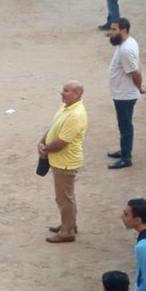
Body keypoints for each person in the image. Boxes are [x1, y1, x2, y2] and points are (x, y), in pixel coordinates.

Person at [38, 81, 87, 243]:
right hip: (61, 160)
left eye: (66, 90)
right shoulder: (67, 107)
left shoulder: (75, 115)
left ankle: (67, 232)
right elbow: (54, 127)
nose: (61, 92)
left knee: (64, 199)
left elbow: (62, 142)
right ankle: (69, 224)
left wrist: (45, 149)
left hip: (65, 162)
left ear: (77, 93)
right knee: (67, 196)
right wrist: (42, 141)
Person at [107, 18, 144, 169]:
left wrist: (140, 87)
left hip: (124, 94)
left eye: (114, 30)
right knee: (124, 125)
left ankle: (126, 158)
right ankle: (124, 150)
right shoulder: (129, 42)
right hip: (123, 92)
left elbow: (135, 72)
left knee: (125, 126)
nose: (111, 33)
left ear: (123, 30)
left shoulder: (125, 50)